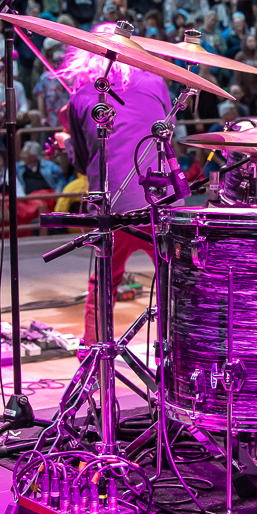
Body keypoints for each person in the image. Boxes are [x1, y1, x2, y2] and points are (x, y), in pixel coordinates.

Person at [56, 24, 176, 343]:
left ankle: (93, 356)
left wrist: (68, 140)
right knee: (175, 279)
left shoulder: (82, 99)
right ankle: (175, 352)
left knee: (105, 282)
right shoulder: (156, 82)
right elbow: (163, 133)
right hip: (160, 198)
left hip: (115, 204)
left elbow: (84, 164)